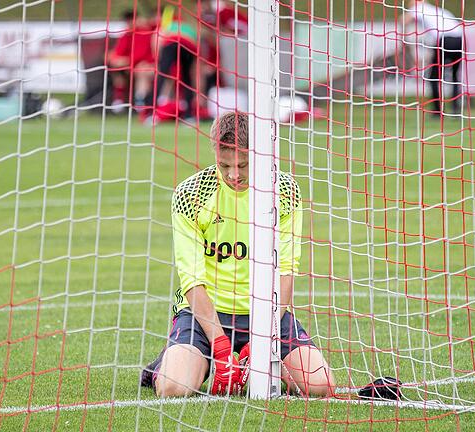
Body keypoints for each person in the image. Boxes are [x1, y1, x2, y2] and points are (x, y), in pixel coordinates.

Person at [141, 111, 336, 397]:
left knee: (321, 386)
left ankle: (261, 365)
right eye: (224, 165)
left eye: (243, 165)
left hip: (265, 313)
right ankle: (170, 363)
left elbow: (286, 272)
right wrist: (220, 344)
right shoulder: (191, 194)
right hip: (205, 313)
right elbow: (191, 279)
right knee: (174, 388)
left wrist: (261, 339)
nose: (233, 174)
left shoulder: (283, 191)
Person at [403, 0, 464, 116]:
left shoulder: (418, 8)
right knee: (455, 76)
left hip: (445, 39)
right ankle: (456, 109)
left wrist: (403, 39)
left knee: (434, 77)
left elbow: (404, 20)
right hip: (459, 39)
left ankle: (437, 110)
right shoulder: (436, 10)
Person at [107, 11, 157, 111]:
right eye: (128, 21)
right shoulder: (127, 34)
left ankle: (141, 103)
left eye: (133, 19)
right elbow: (118, 52)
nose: (131, 23)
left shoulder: (149, 30)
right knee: (114, 66)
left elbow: (142, 55)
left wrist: (129, 60)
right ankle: (119, 100)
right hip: (132, 65)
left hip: (148, 64)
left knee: (142, 70)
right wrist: (114, 58)